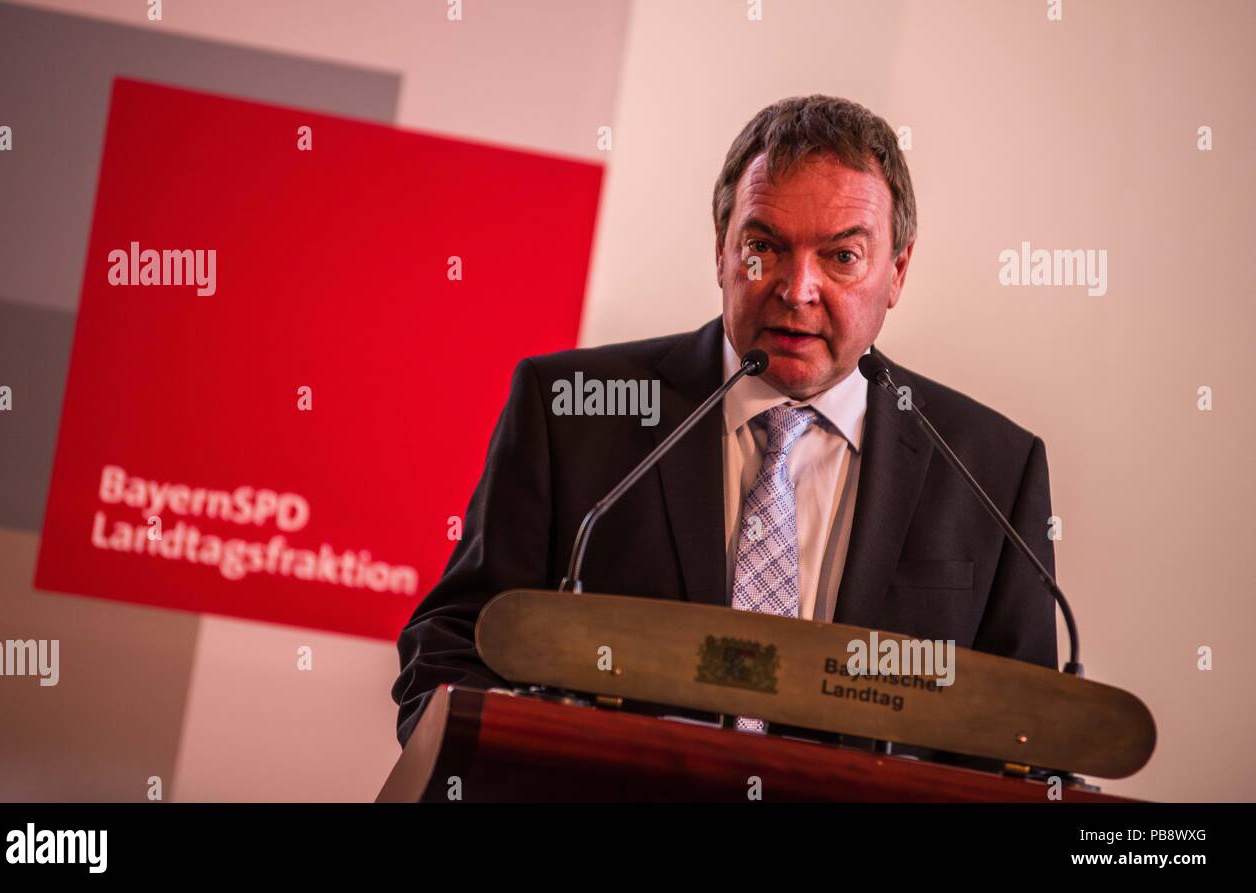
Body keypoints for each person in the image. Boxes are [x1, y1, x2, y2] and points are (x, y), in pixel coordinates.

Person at [392, 95, 1057, 748]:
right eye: (763, 246)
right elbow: (457, 643)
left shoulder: (991, 471)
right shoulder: (570, 408)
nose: (796, 288)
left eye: (842, 257)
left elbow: (1030, 737)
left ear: (897, 272)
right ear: (721, 251)